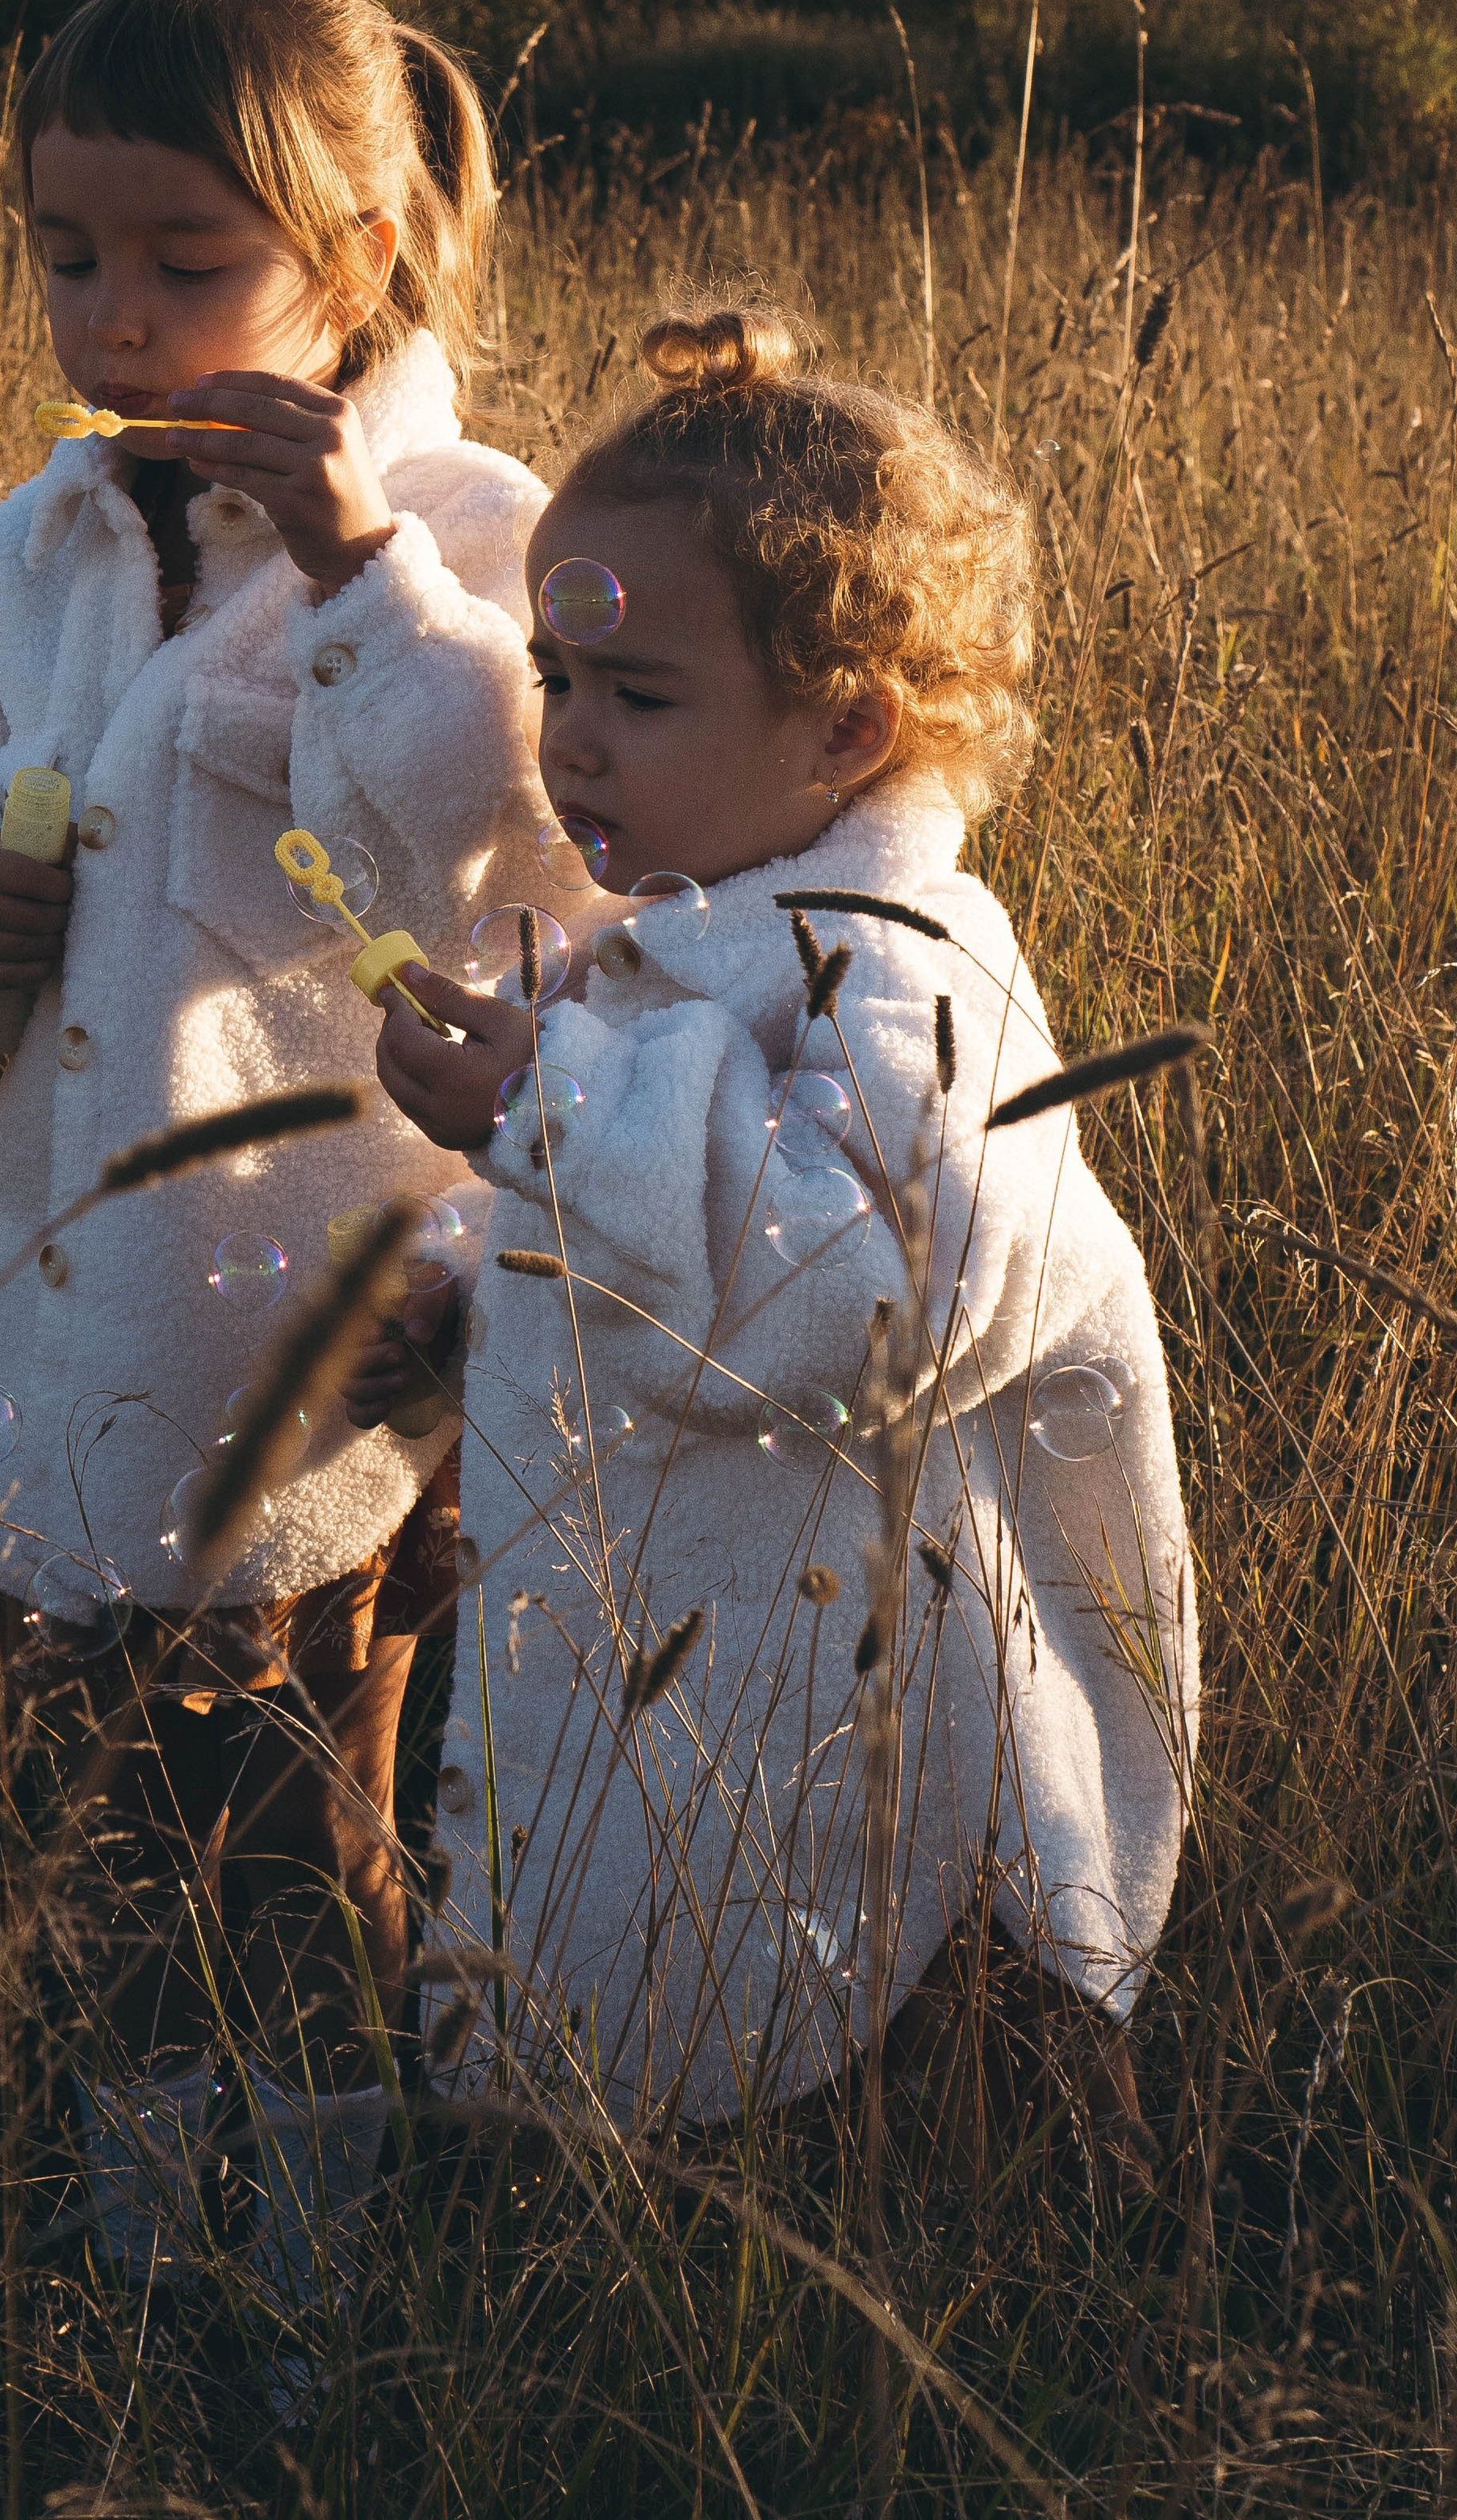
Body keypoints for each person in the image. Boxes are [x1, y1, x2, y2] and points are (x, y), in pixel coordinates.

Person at [0, 0, 551, 2271]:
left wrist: (354, 571)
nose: (115, 316)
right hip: (78, 1325)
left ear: (362, 253)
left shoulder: (477, 532)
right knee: (98, 1847)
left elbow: (520, 856)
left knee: (312, 1838)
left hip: (330, 1352)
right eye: (68, 254)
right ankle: (140, 2261)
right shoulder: (52, 536)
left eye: (187, 262)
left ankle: (308, 2290)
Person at [358, 304, 1196, 2167]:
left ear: (845, 725)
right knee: (634, 2007)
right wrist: (453, 1303)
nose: (567, 748)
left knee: (879, 2131)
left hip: (866, 1758)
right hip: (668, 1685)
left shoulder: (909, 977)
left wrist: (544, 1116)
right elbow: (627, 1250)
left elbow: (875, 1290)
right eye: (554, 684)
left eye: (634, 700)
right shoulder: (667, 932)